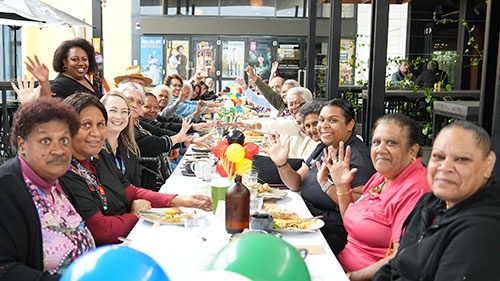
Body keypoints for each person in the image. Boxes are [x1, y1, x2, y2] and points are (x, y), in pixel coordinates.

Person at [59, 93, 211, 246]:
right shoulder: (66, 171)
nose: (96, 133)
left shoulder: (98, 156)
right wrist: (135, 215)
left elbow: (130, 191)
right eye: (86, 125)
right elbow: (101, 231)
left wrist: (181, 200)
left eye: (100, 124)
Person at [374, 120, 500, 280]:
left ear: (488, 164)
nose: (445, 167)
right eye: (438, 156)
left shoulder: (483, 232)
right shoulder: (430, 202)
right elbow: (397, 264)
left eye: (461, 159)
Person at [320, 114, 430, 280]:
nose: (381, 149)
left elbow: (402, 257)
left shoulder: (416, 189)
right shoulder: (382, 176)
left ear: (412, 151)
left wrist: (350, 277)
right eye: (376, 142)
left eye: (391, 143)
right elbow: (353, 222)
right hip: (341, 265)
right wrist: (342, 186)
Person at [0, 97, 95, 280]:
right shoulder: (7, 188)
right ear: (22, 145)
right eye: (45, 141)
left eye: (64, 140)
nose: (58, 150)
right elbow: (5, 268)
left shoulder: (58, 183)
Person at [267, 99, 375, 254]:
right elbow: (296, 183)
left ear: (350, 124)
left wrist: (327, 185)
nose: (323, 125)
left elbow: (360, 208)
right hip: (305, 222)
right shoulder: (323, 147)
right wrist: (282, 164)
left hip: (329, 236)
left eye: (332, 120)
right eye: (322, 120)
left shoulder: (358, 158)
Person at [100, 91, 144, 188]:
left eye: (124, 111)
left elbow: (136, 186)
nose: (119, 117)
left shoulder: (130, 149)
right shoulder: (93, 150)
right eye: (113, 110)